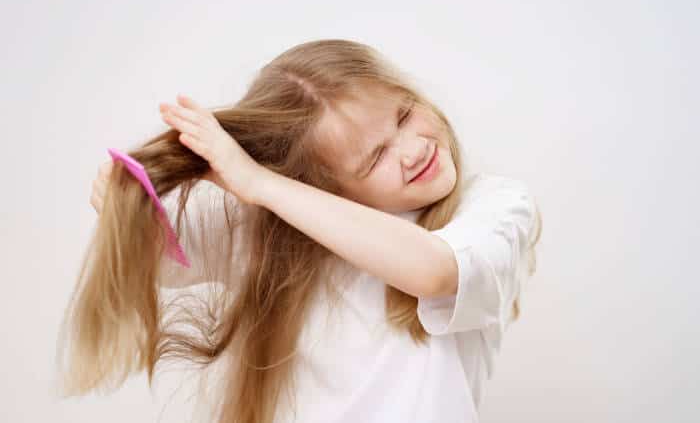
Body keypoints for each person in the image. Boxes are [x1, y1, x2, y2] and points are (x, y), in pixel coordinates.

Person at [58, 39, 542, 423]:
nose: (412, 150)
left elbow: (435, 272)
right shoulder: (275, 232)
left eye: (404, 114)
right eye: (374, 157)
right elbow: (161, 257)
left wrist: (259, 183)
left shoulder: (493, 207)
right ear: (326, 186)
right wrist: (122, 204)